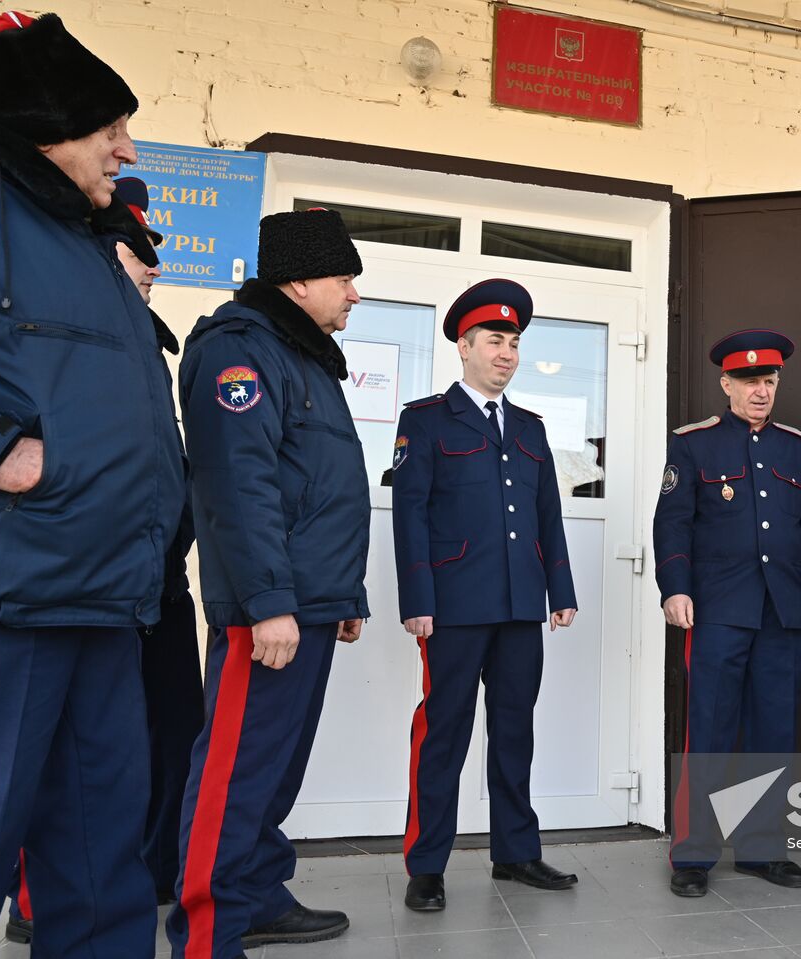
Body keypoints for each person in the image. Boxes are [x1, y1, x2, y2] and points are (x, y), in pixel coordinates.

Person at [0, 13, 186, 958]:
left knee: (103, 867)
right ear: (47, 126)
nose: (127, 146)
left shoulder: (84, 240)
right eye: (109, 126)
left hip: (106, 602)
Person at [165, 208, 371, 958]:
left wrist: (344, 597)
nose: (354, 294)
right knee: (237, 769)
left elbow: (314, 487)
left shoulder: (303, 355)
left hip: (309, 601)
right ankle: (208, 925)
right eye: (345, 278)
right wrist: (271, 603)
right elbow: (237, 489)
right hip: (271, 608)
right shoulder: (240, 355)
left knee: (274, 769)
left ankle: (253, 894)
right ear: (300, 279)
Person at [4, 175, 205, 943]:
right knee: (54, 766)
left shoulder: (145, 347)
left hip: (150, 585)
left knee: (155, 742)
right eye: (139, 251)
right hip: (80, 586)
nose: (153, 268)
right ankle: (32, 901)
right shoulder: (53, 335)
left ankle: (144, 870)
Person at [391, 278, 579, 912]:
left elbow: (549, 514)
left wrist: (561, 588)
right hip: (452, 605)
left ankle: (516, 852)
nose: (507, 352)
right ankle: (427, 865)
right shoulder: (426, 420)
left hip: (521, 605)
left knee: (514, 730)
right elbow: (409, 515)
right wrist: (417, 598)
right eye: (495, 340)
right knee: (443, 732)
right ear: (464, 347)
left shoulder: (529, 427)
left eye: (515, 342)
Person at [655, 329, 801, 899]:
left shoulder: (798, 449)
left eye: (769, 380)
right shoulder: (694, 444)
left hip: (783, 610)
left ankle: (761, 850)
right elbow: (673, 522)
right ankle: (693, 854)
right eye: (749, 381)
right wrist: (675, 587)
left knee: (773, 733)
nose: (761, 391)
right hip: (717, 609)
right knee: (709, 731)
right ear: (726, 384)